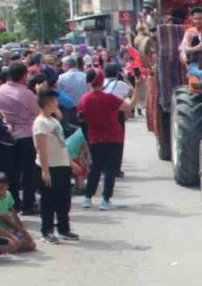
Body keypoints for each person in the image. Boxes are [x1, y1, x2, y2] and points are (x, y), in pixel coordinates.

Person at [77, 69, 137, 210]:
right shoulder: (110, 98)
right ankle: (105, 199)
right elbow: (129, 106)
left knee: (95, 168)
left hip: (94, 138)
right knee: (110, 170)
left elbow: (81, 119)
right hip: (113, 137)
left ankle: (88, 197)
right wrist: (137, 89)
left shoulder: (84, 99)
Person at [0, 62, 40, 215]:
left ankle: (14, 203)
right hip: (25, 134)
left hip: (8, 134)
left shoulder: (0, 90)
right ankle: (28, 204)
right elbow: (37, 111)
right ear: (23, 76)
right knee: (29, 172)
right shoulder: (26, 93)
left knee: (12, 173)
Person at [33, 89, 76, 244]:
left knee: (64, 200)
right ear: (49, 103)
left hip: (62, 165)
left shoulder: (53, 120)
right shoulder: (40, 123)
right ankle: (47, 231)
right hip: (50, 167)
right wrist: (45, 170)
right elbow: (41, 148)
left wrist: (71, 163)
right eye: (55, 101)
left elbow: (62, 144)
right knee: (48, 201)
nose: (58, 104)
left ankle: (63, 228)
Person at [0, 172, 35, 251]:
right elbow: (8, 222)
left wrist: (22, 227)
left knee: (29, 243)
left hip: (8, 228)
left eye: (2, 187)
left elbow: (13, 212)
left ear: (7, 185)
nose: (0, 191)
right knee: (20, 244)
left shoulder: (8, 194)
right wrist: (24, 232)